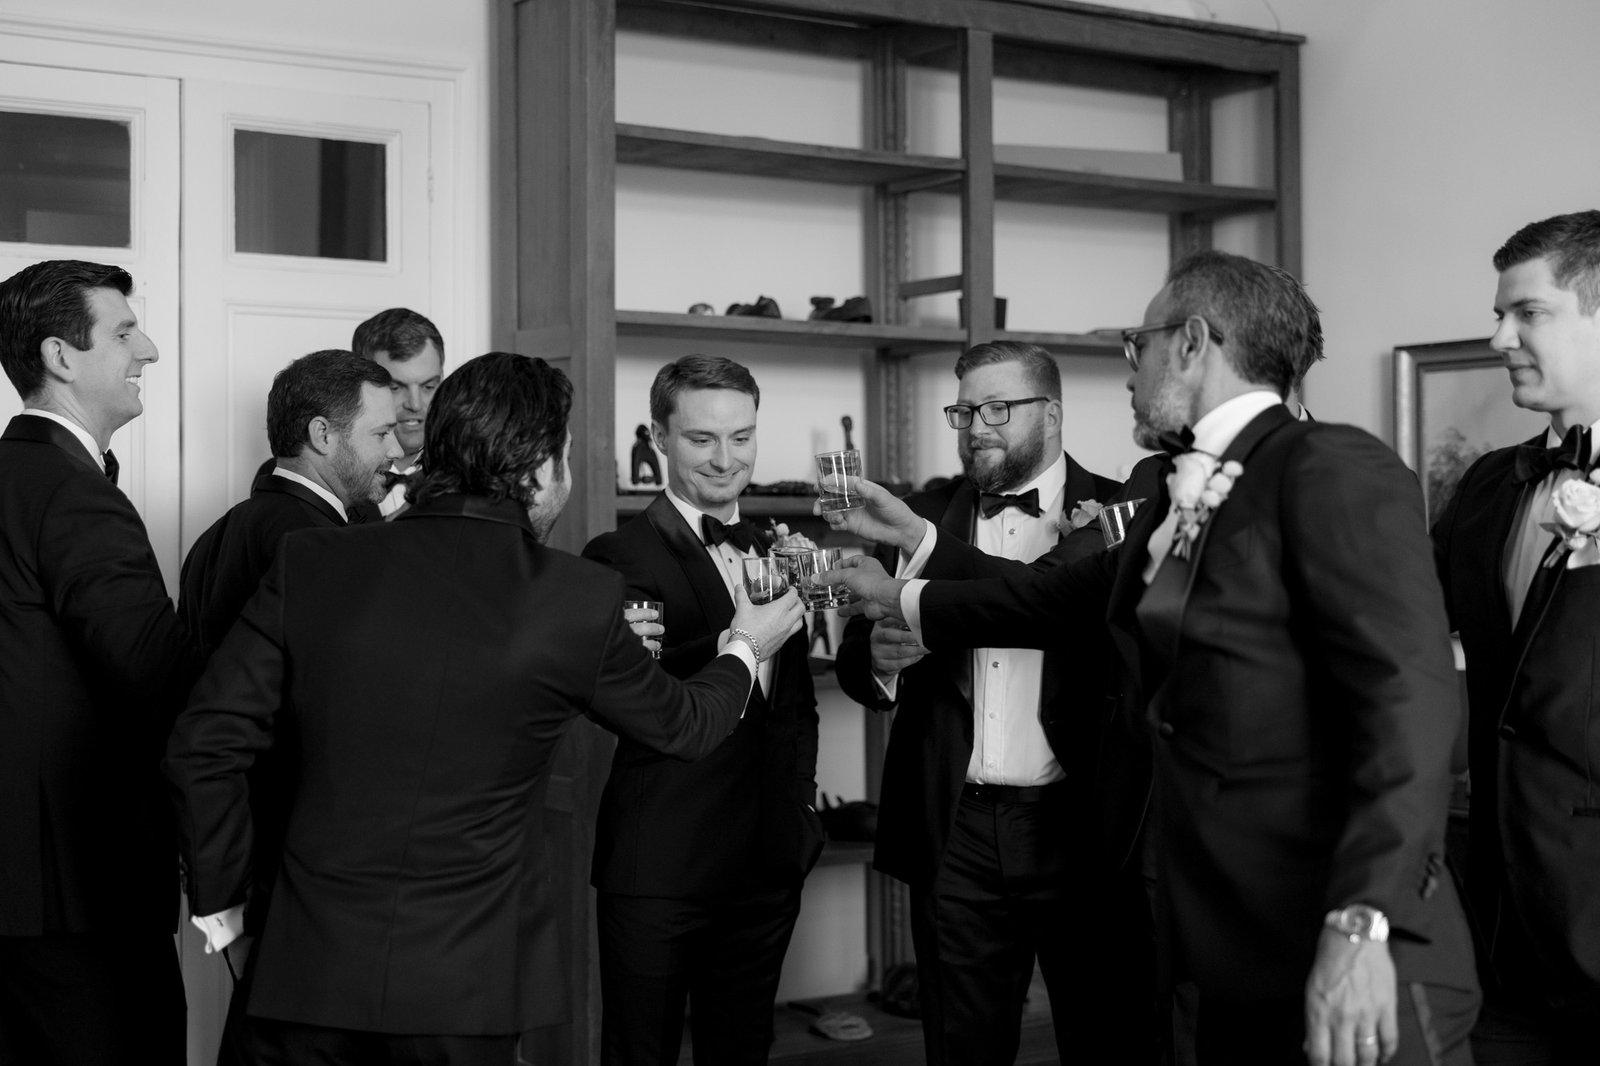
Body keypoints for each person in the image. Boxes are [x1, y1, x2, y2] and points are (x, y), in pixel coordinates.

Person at [820, 251, 1480, 1066]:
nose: (1129, 368)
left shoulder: (1332, 466)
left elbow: (1412, 708)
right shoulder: (1174, 489)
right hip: (1216, 919)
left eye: (1141, 342)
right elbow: (1045, 600)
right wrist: (899, 586)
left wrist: (1363, 920)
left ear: (1194, 343)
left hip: (1328, 915)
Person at [164, 351, 803, 1065]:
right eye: (563, 456)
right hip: (467, 990)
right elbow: (685, 725)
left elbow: (203, 744)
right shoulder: (575, 596)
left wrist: (226, 919)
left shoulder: (313, 561)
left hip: (300, 969)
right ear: (537, 468)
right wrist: (747, 643)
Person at [832, 341, 1148, 1066]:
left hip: (1081, 825)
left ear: (1054, 413)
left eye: (998, 409)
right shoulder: (921, 516)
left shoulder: (1123, 512)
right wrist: (878, 663)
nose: (977, 426)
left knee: (1107, 1039)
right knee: (962, 1049)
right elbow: (855, 659)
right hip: (957, 830)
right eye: (966, 410)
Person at [581, 354, 822, 1066]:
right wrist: (732, 643)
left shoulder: (778, 550)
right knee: (640, 1053)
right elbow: (631, 700)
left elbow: (795, 704)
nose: (726, 459)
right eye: (701, 439)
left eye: (742, 437)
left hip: (768, 863)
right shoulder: (616, 554)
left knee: (743, 1051)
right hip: (662, 866)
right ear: (658, 438)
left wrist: (801, 811)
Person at [0, 260, 194, 1063]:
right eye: (123, 331)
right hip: (79, 889)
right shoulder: (72, 492)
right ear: (60, 356)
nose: (146, 347)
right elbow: (157, 677)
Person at [1431, 210, 1600, 1063]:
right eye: (1500, 314)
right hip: (1491, 919)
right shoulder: (1490, 484)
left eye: (1526, 313)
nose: (1499, 336)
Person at [182, 349, 401, 657]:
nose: (397, 450)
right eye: (383, 434)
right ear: (322, 435)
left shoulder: (212, 538)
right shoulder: (322, 547)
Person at [352, 306, 444, 515]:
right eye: (395, 388)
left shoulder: (473, 472)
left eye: (429, 387)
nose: (415, 404)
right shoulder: (320, 472)